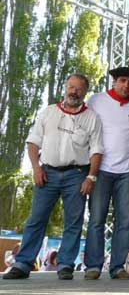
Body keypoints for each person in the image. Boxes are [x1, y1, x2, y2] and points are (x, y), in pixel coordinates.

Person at [3, 74, 102, 281]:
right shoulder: (48, 112)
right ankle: (22, 264)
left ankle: (65, 265)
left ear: (85, 93)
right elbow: (33, 143)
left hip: (77, 174)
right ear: (66, 88)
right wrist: (36, 169)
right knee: (36, 219)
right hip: (47, 173)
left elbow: (96, 151)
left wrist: (91, 178)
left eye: (78, 89)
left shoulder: (92, 117)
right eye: (71, 87)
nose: (73, 92)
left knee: (73, 222)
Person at [85, 67, 129, 280]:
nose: (126, 86)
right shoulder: (96, 101)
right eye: (123, 81)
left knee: (124, 221)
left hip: (127, 171)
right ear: (114, 82)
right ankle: (93, 266)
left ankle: (118, 267)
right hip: (101, 170)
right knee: (97, 219)